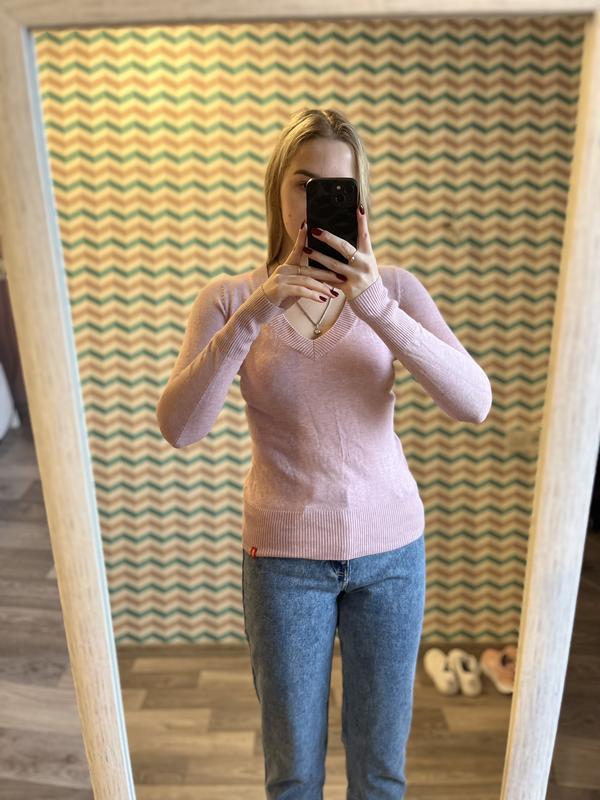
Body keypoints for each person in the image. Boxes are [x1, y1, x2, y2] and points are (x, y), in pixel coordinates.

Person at [156, 107, 492, 800]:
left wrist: (378, 308)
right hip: (282, 563)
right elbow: (181, 428)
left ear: (359, 198)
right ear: (277, 189)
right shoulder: (230, 300)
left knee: (380, 774)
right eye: (304, 183)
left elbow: (473, 401)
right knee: (293, 775)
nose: (318, 201)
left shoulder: (395, 291)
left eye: (337, 187)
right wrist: (256, 314)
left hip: (393, 555)